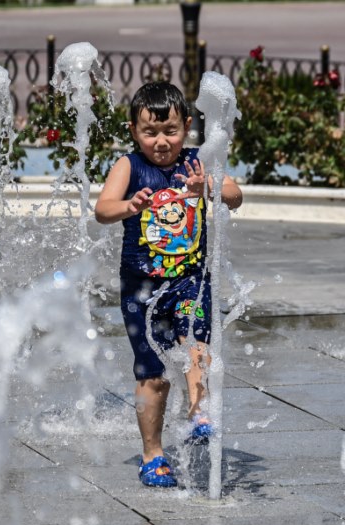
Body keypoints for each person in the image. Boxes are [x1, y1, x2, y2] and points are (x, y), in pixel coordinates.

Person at [95, 81, 242, 488]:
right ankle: (153, 453)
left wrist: (206, 188)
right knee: (152, 373)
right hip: (141, 289)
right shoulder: (129, 167)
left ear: (187, 126)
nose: (161, 142)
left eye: (170, 131)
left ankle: (199, 413)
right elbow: (102, 209)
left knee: (195, 343)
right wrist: (129, 206)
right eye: (150, 133)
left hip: (189, 281)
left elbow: (235, 194)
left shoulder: (198, 163)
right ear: (134, 132)